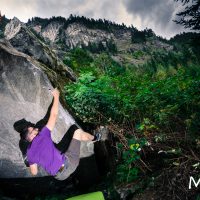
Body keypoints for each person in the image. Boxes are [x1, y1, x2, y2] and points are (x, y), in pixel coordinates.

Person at [14, 88, 102, 181]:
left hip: (59, 176)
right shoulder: (42, 135)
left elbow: (34, 172)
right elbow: (54, 115)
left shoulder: (30, 153)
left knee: (70, 131)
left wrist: (44, 159)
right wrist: (56, 96)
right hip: (70, 164)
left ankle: (62, 161)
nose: (35, 128)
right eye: (33, 130)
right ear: (31, 136)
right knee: (77, 131)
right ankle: (96, 137)